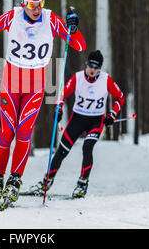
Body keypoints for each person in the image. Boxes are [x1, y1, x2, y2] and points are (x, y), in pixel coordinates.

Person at [0, 0, 87, 207]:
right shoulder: (12, 17)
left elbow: (79, 46)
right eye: (31, 4)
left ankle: (14, 181)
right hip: (10, 84)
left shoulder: (51, 19)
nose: (36, 8)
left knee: (23, 134)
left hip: (35, 87)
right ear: (23, 3)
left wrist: (73, 28)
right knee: (7, 133)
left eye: (40, 3)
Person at [27, 50, 125, 198]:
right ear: (86, 64)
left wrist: (112, 114)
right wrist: (58, 109)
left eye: (96, 67)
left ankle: (82, 184)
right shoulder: (78, 77)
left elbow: (120, 97)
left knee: (87, 147)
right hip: (77, 118)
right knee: (61, 151)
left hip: (96, 120)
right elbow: (62, 95)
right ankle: (46, 183)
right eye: (90, 65)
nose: (92, 70)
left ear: (100, 68)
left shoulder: (106, 80)